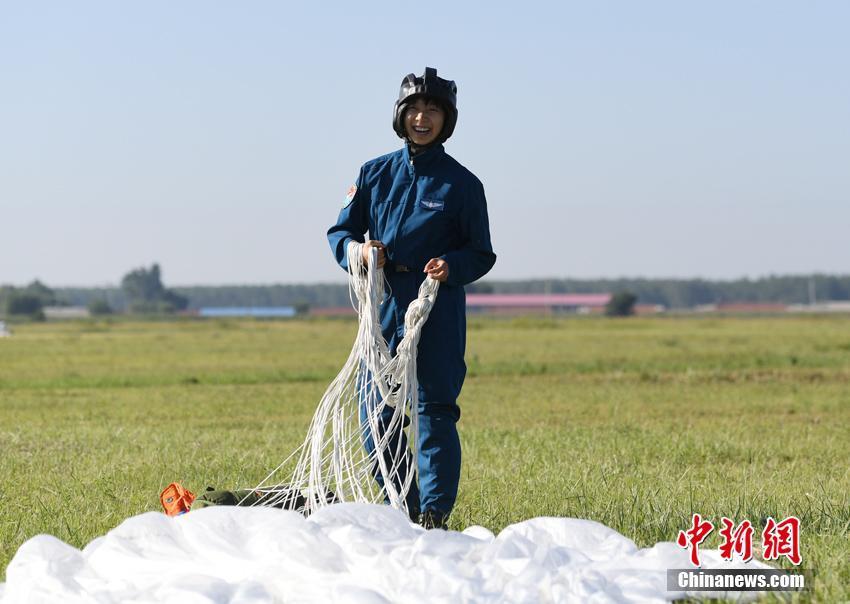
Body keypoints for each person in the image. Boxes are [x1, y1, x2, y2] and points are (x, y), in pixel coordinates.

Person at [327, 67, 496, 529]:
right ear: (401, 116)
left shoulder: (463, 185)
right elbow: (339, 232)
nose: (423, 118)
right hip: (383, 306)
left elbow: (481, 252)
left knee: (434, 409)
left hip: (436, 307)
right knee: (375, 412)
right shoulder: (373, 173)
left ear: (447, 120)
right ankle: (406, 506)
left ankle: (435, 514)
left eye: (433, 111)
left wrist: (452, 266)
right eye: (415, 109)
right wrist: (359, 252)